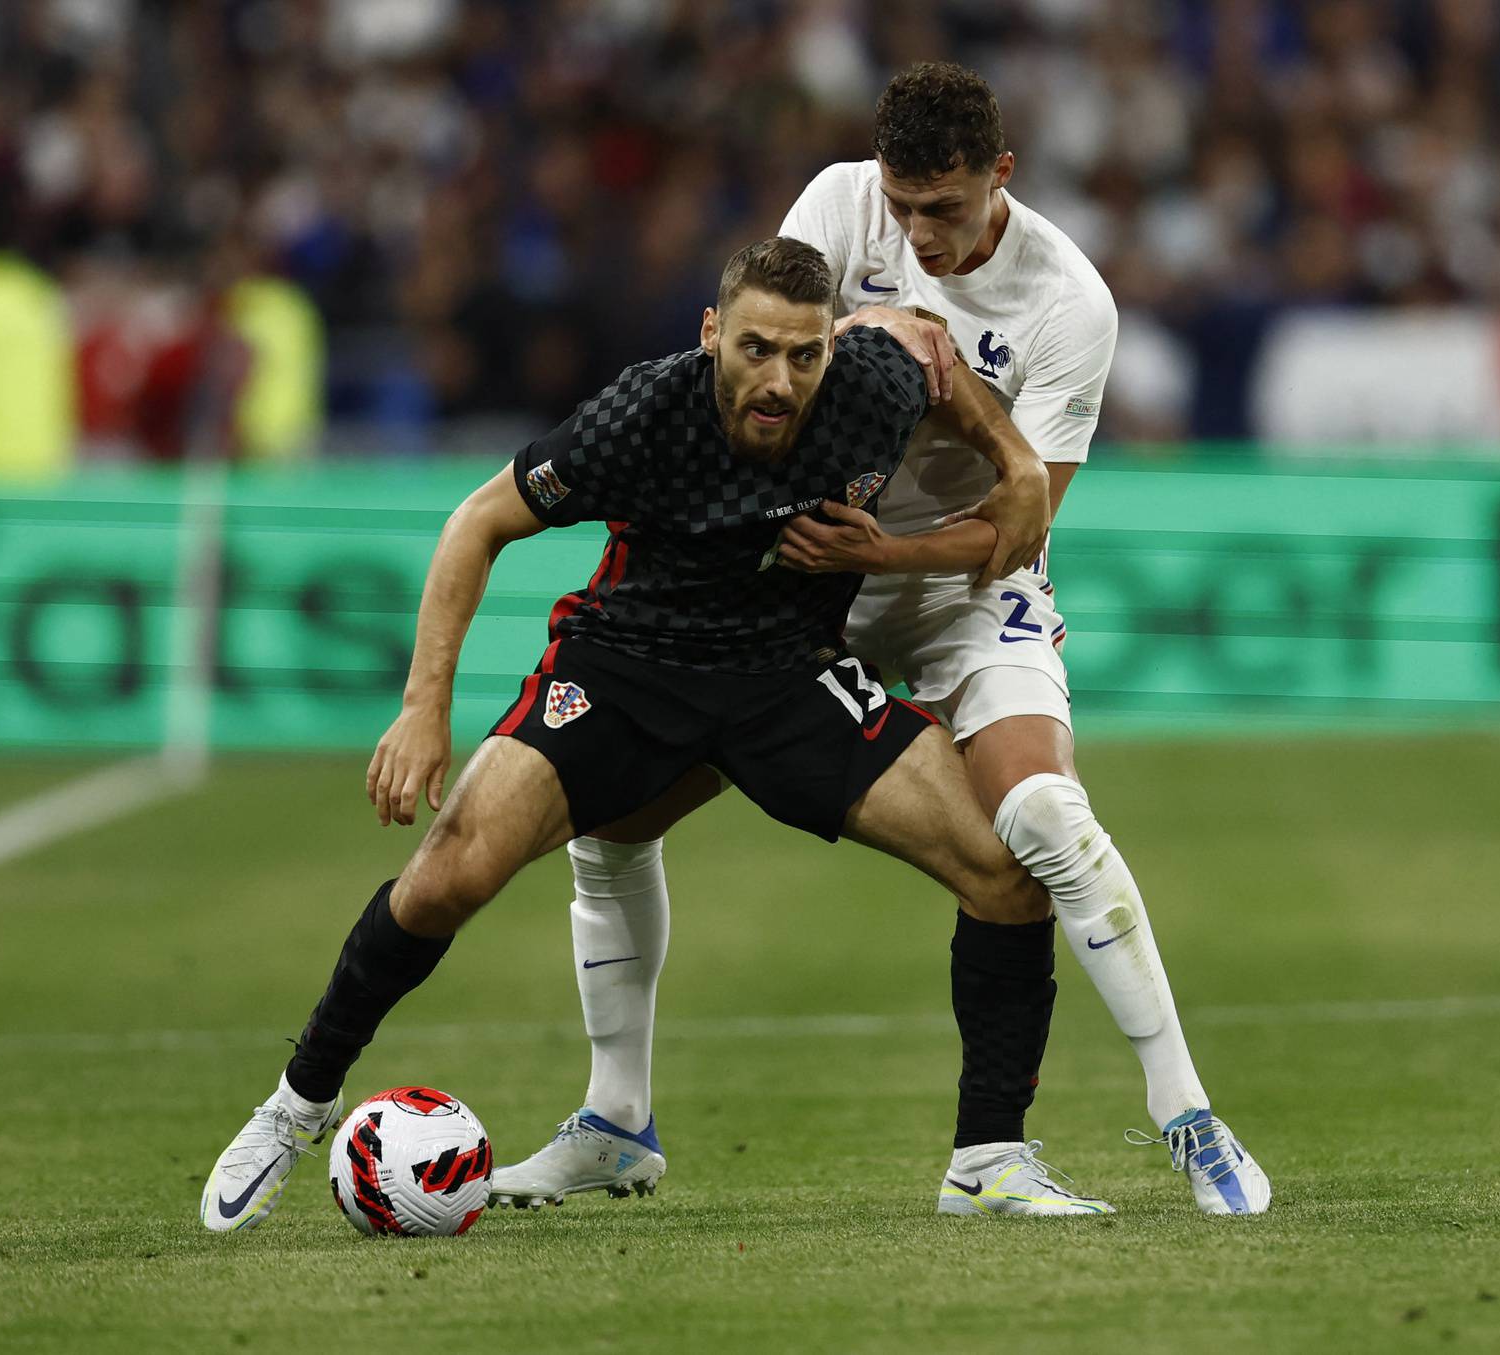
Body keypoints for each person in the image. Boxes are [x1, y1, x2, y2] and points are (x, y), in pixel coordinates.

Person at [495, 63, 1271, 1217]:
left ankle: (1185, 1114)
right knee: (608, 825)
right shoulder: (837, 203)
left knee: (1044, 817)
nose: (918, 234)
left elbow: (1019, 524)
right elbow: (765, 362)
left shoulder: (1070, 302)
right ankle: (616, 1120)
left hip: (954, 589)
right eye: (903, 208)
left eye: (944, 210)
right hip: (806, 595)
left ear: (1000, 175)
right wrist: (871, 332)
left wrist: (888, 549)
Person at [200, 235, 1077, 1233]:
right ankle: (296, 1103)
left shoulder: (871, 386)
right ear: (712, 336)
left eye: (803, 354)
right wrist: (421, 704)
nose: (779, 380)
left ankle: (989, 1154)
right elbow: (477, 521)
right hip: (627, 665)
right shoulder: (641, 413)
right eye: (754, 350)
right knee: (447, 872)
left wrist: (1013, 462)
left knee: (1007, 873)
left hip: (785, 674)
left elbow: (947, 382)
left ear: (832, 348)